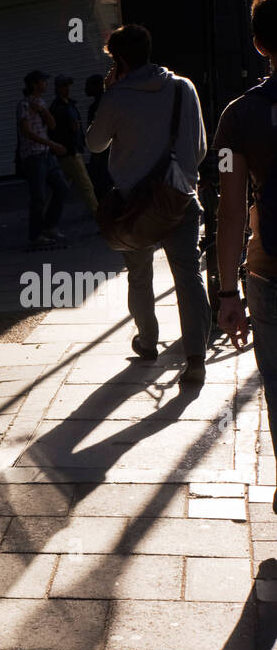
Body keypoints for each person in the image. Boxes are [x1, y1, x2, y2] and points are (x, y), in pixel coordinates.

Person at [87, 24, 210, 384]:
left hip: (134, 206)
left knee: (140, 275)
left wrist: (108, 95)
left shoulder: (116, 96)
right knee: (189, 276)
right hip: (179, 197)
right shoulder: (183, 87)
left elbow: (94, 145)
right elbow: (200, 148)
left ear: (121, 59)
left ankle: (147, 340)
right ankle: (196, 358)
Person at [216, 0, 277, 507]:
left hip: (270, 272)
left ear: (260, 44)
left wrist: (227, 292)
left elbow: (230, 210)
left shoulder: (240, 114)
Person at [17, 69, 71, 247]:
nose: (46, 84)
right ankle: (36, 235)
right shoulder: (24, 105)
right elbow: (26, 131)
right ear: (34, 84)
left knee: (62, 188)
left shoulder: (40, 102)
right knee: (38, 196)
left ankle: (49, 225)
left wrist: (43, 111)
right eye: (43, 81)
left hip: (46, 154)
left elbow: (52, 125)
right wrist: (52, 145)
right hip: (33, 156)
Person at [49, 74, 99, 214]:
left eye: (68, 86)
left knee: (61, 189)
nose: (67, 88)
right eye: (64, 86)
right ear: (58, 88)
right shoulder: (58, 107)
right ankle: (100, 217)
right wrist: (70, 130)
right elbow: (55, 131)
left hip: (72, 150)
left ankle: (47, 220)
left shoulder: (68, 104)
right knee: (86, 185)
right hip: (70, 152)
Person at [85, 74, 114, 197]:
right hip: (106, 153)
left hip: (101, 153)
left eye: (88, 85)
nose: (85, 89)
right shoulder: (108, 102)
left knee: (101, 187)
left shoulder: (99, 106)